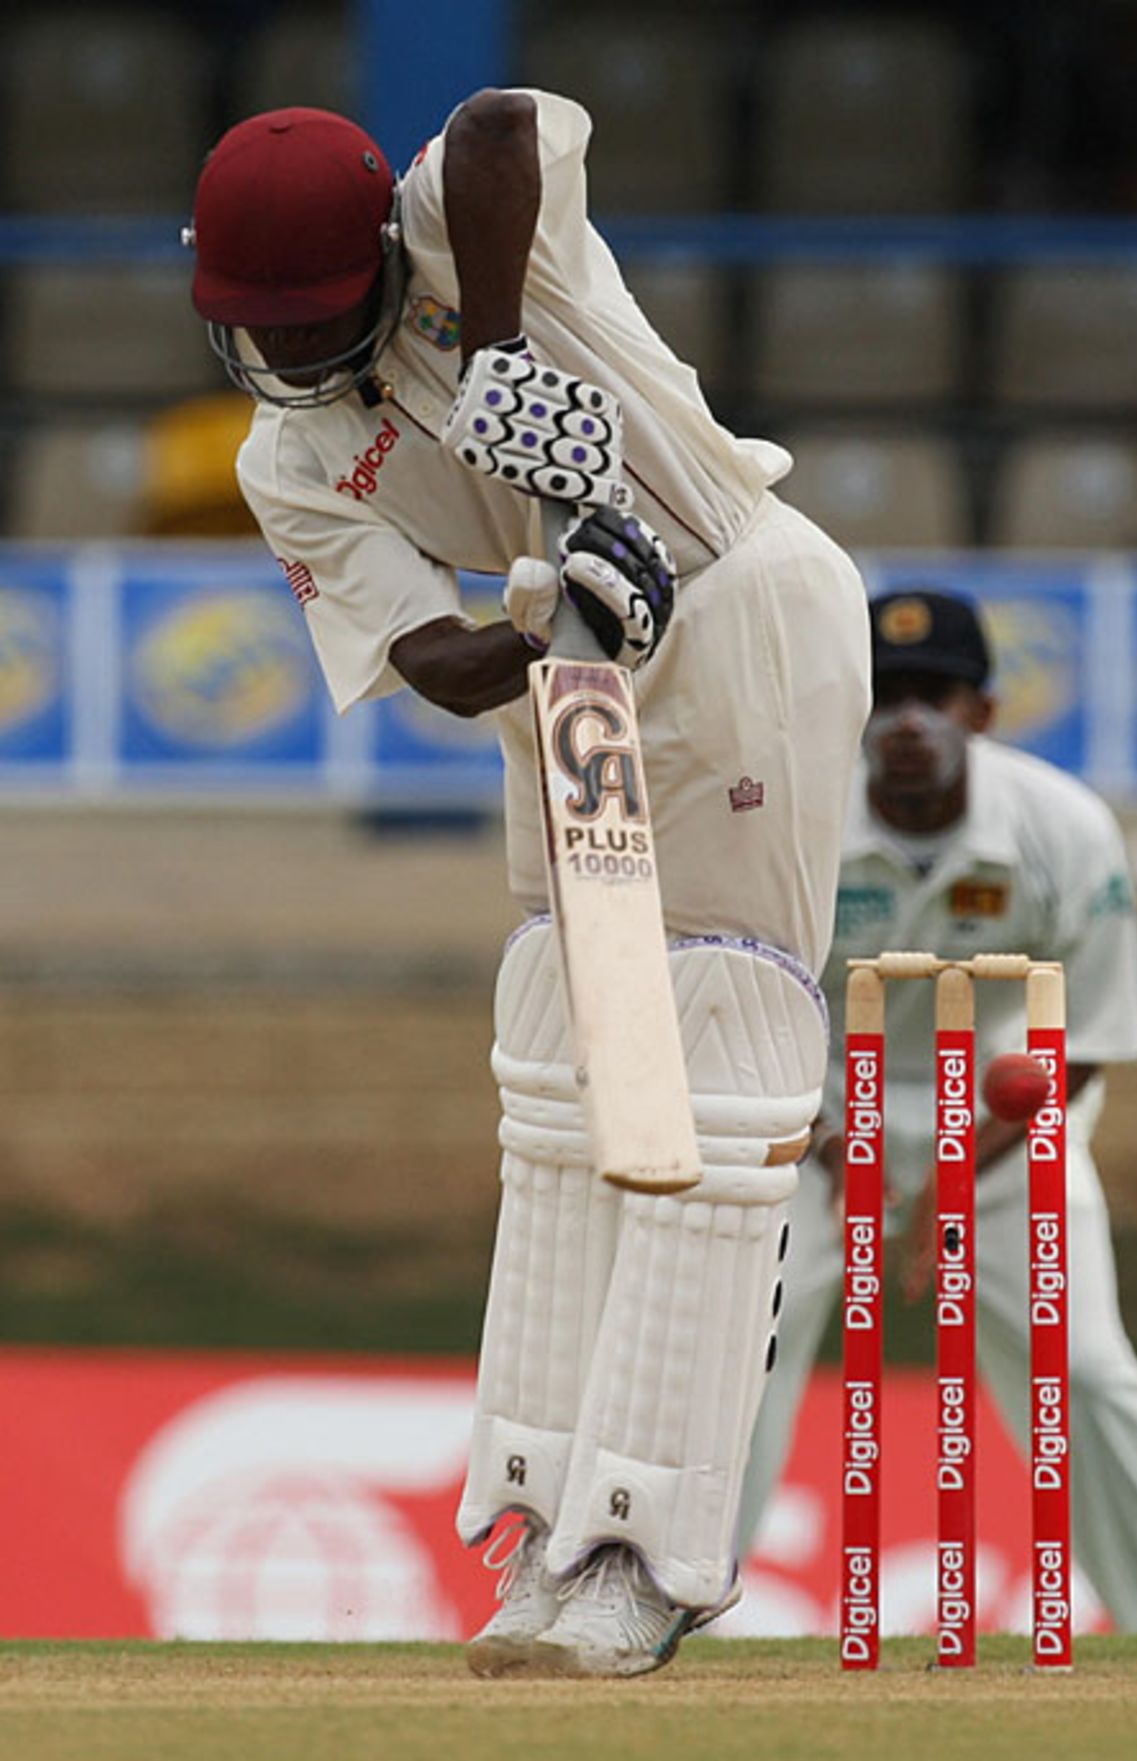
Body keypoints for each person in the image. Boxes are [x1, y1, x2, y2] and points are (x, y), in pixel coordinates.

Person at [185, 92, 870, 1676]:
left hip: (740, 605)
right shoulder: (289, 457)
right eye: (260, 326)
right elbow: (430, 658)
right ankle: (545, 1515)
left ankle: (652, 1549)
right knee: (562, 1072)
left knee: (718, 1066)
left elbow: (501, 125)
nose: (288, 353)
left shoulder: (463, 225)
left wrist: (500, 351)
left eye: (315, 317)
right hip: (563, 674)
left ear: (383, 252)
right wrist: (559, 622)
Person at [738, 587, 1137, 1634]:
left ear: (981, 711)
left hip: (1003, 1127)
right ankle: (672, 1603)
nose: (908, 721)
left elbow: (1086, 1041)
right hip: (812, 1123)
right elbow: (741, 1006)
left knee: (1087, 1374)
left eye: (935, 695)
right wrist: (837, 1149)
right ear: (851, 711)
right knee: (740, 1356)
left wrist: (952, 1178)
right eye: (887, 695)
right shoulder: (787, 825)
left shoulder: (1063, 827)